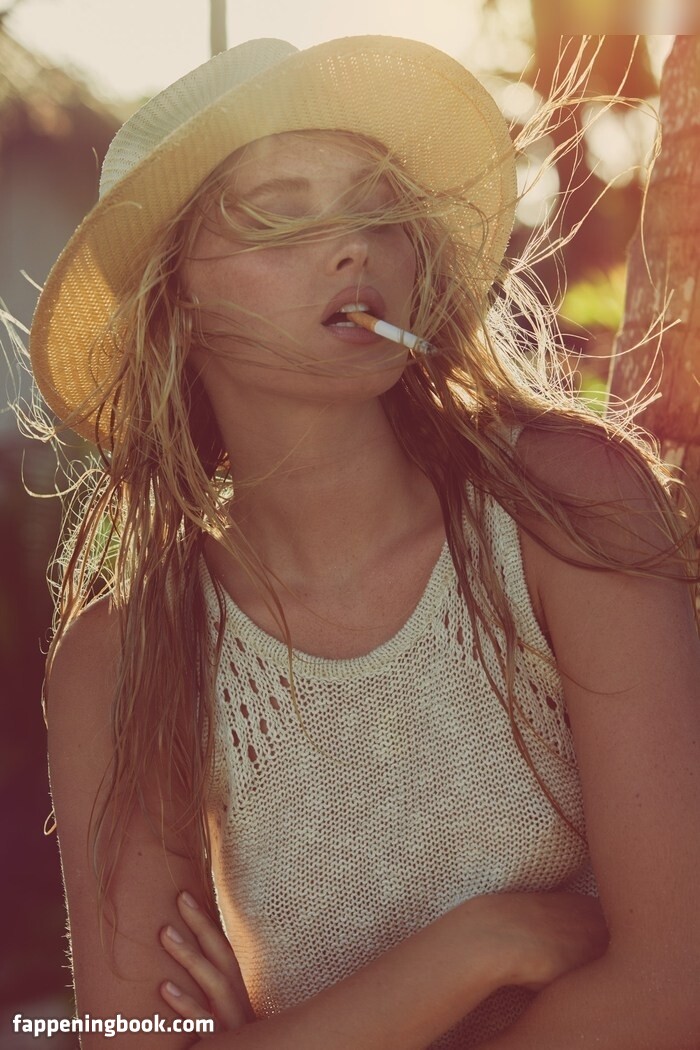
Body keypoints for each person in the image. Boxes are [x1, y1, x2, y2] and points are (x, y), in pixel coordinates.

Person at [29, 35, 700, 1050]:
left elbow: (676, 991)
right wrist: (475, 948)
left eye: (378, 208)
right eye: (281, 214)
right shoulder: (121, 656)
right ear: (178, 298)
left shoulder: (565, 507)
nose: (353, 246)